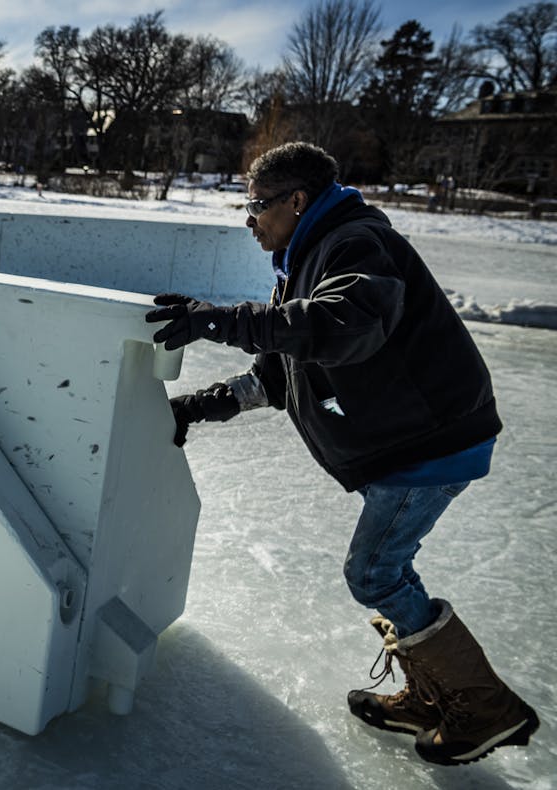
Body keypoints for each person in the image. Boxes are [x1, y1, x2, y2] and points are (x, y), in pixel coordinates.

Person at [144, 142, 539, 766]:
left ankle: (481, 706)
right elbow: (276, 377)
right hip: (411, 441)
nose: (250, 221)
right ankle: (431, 693)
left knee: (375, 574)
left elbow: (344, 326)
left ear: (296, 201)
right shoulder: (305, 262)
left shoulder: (355, 244)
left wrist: (217, 320)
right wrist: (193, 407)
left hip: (433, 443)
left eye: (256, 206)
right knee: (386, 573)